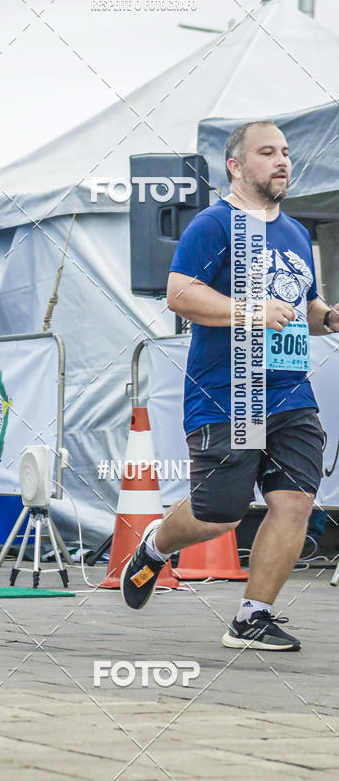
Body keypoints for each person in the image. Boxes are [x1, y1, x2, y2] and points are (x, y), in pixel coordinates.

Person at [121, 121, 339, 650]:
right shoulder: (214, 224)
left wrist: (329, 317)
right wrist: (250, 310)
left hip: (290, 393)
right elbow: (179, 295)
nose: (282, 161)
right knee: (219, 514)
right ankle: (155, 546)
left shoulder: (295, 233)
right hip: (230, 393)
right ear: (236, 167)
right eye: (267, 152)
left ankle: (251, 617)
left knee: (295, 502)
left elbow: (301, 304)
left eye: (285, 152)